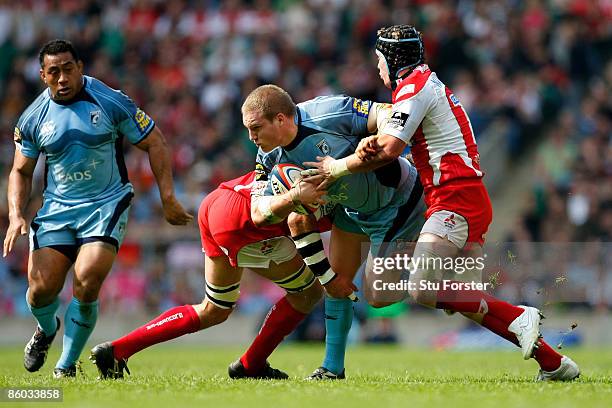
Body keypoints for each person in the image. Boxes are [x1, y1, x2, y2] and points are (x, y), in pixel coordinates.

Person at [307, 25, 579, 381]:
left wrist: (336, 166)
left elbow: (389, 151)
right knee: (450, 300)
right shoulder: (424, 84)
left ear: (391, 58)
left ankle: (518, 315)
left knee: (424, 289)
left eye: (378, 60)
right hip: (462, 200)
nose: (377, 69)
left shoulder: (413, 88)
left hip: (455, 200)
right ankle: (555, 364)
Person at [3, 39, 192, 378]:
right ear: (43, 75)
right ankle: (46, 330)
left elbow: (155, 141)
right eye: (54, 72)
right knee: (41, 290)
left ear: (81, 68)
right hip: (57, 210)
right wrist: (16, 213)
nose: (63, 78)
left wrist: (168, 197)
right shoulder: (33, 117)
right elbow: (21, 171)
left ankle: (66, 365)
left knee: (86, 280)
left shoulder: (110, 101)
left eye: (69, 69)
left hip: (106, 205)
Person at [241, 85, 426, 379]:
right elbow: (259, 214)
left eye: (256, 128)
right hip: (353, 210)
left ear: (279, 119)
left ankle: (436, 280)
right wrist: (293, 198)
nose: (251, 137)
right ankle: (332, 368)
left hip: (398, 201)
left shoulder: (329, 112)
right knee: (336, 284)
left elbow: (391, 112)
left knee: (378, 296)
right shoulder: (267, 158)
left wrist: (374, 139)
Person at [90, 171, 326, 379]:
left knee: (214, 308)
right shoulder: (338, 188)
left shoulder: (311, 160)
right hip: (243, 222)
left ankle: (117, 350)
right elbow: (301, 219)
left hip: (217, 202)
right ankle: (251, 365)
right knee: (308, 292)